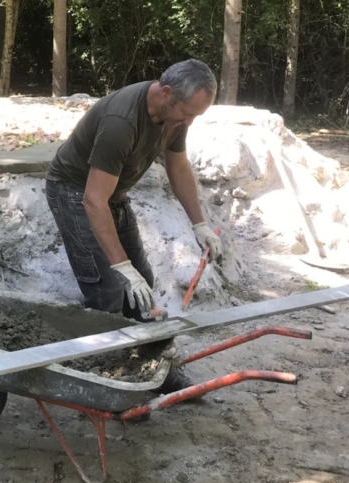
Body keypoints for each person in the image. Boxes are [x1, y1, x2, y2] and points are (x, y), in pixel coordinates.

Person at [45, 60, 222, 375]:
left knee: (143, 281)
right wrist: (121, 267)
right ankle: (105, 374)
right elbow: (93, 199)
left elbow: (178, 167)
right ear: (166, 93)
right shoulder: (121, 123)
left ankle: (147, 364)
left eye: (197, 115)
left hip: (111, 195)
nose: (190, 121)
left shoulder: (175, 116)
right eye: (187, 112)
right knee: (109, 290)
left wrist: (200, 224)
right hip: (74, 192)